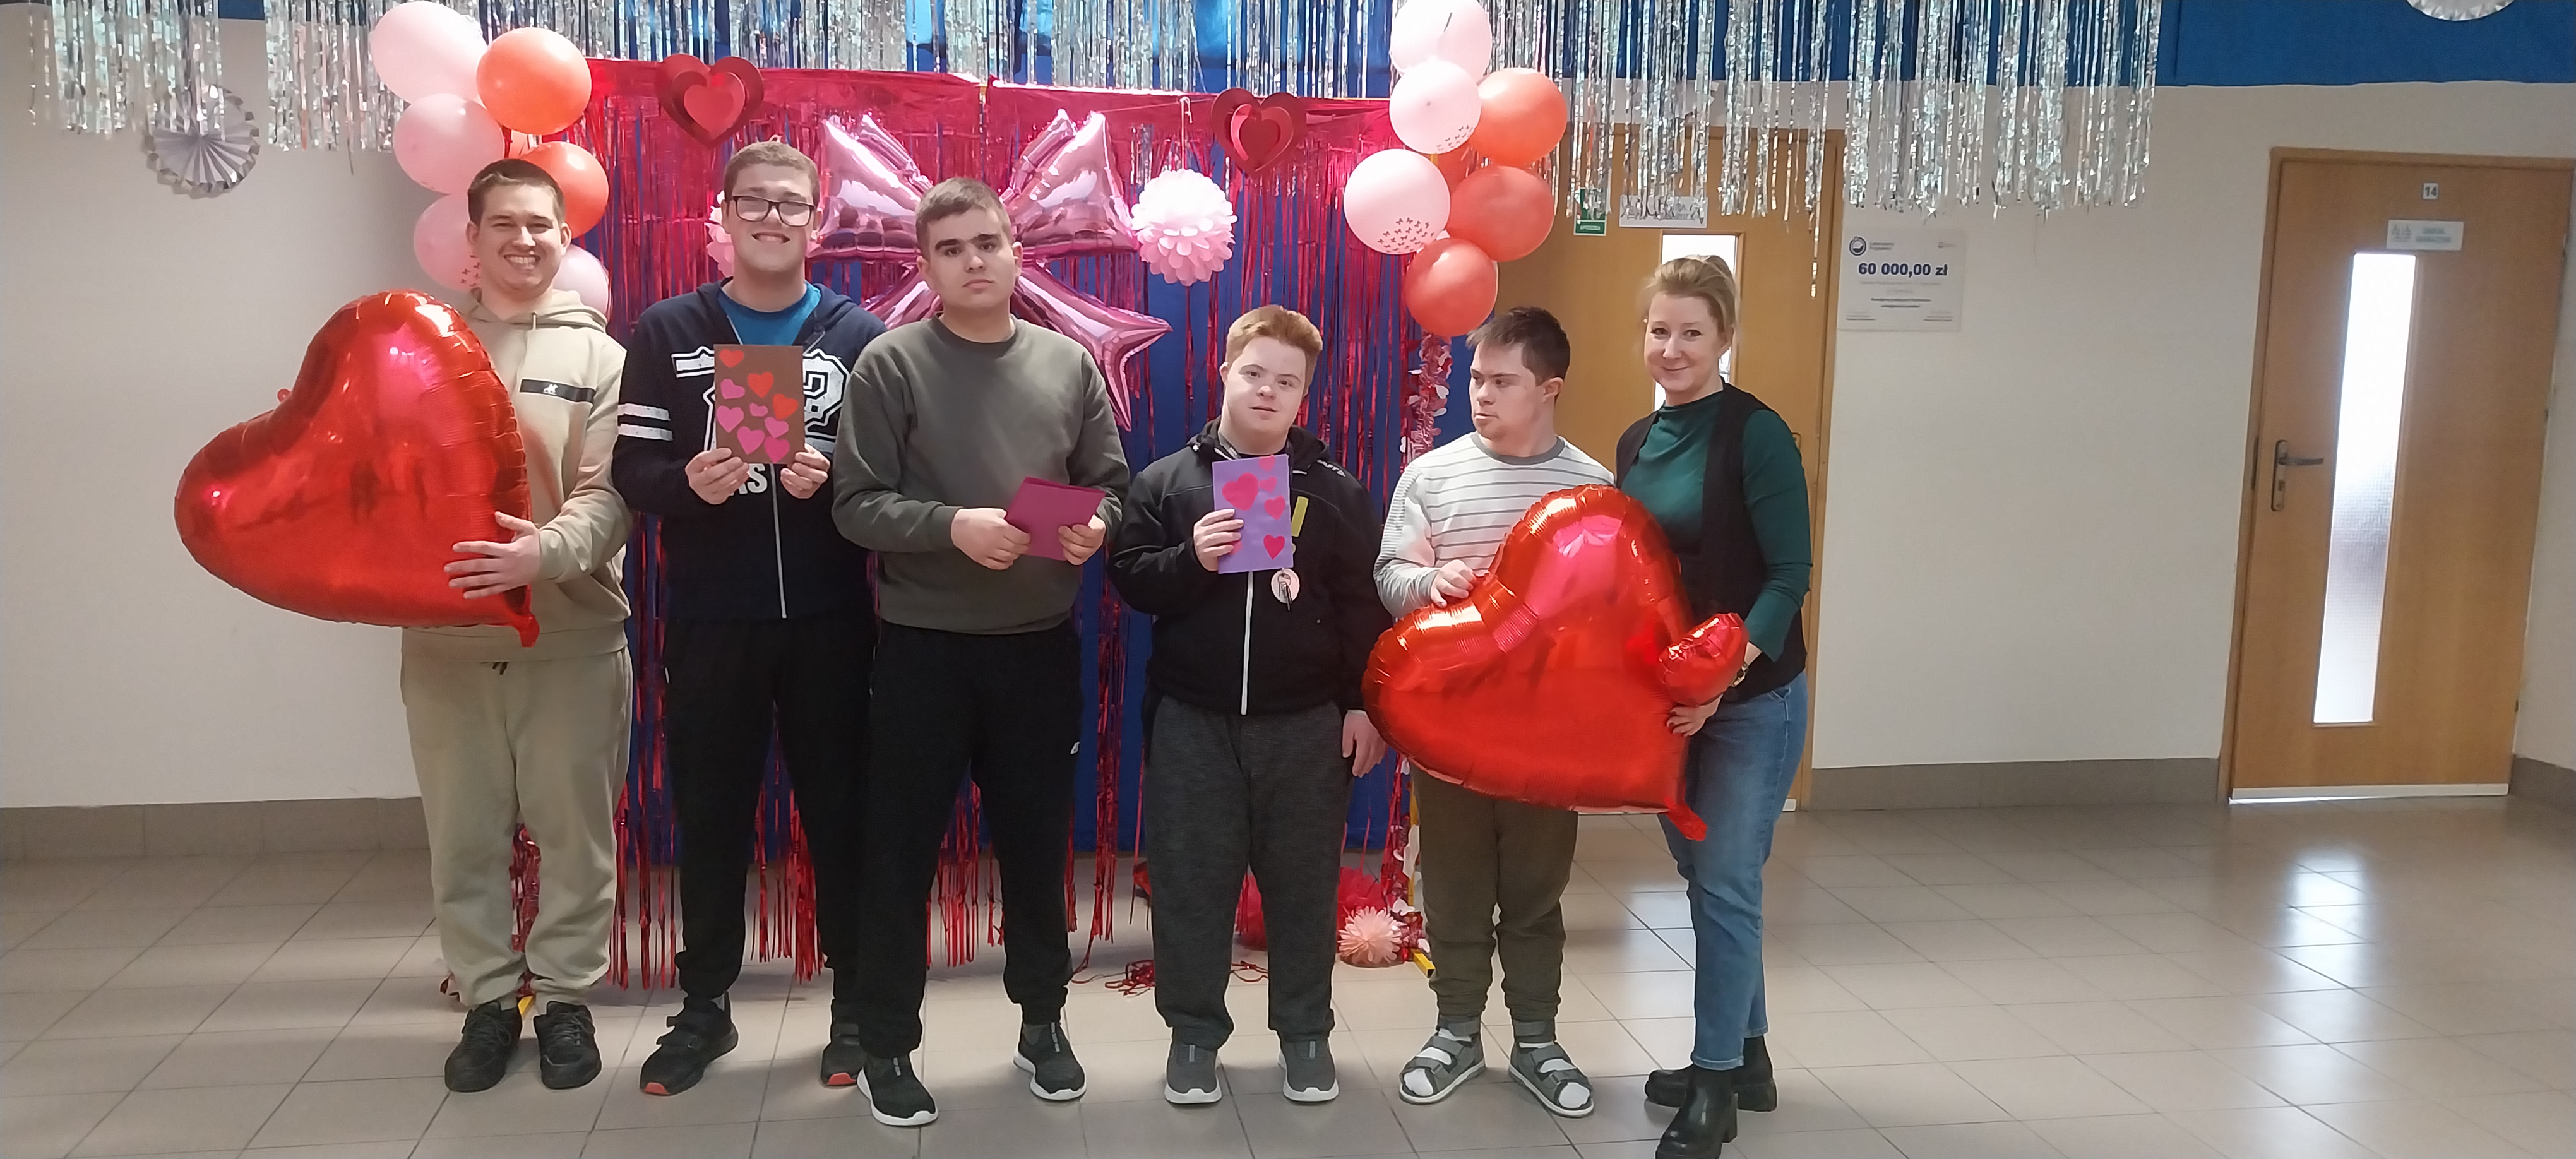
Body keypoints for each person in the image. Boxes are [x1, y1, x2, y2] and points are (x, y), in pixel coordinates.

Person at [831, 176, 1132, 1127]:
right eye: (951, 248)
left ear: (1016, 254)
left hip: (1036, 653)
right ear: (926, 267)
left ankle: (1043, 1024)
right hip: (923, 653)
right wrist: (951, 526)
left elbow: (1111, 486)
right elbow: (855, 505)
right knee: (900, 855)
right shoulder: (891, 363)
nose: (973, 261)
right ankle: (887, 1041)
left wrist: (1095, 528)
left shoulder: (1068, 363)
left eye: (987, 243)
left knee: (1038, 852)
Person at [611, 140, 886, 1097]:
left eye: (791, 204)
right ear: (722, 216)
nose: (773, 218)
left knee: (842, 812)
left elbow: (891, 476)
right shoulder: (668, 329)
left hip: (831, 618)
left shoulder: (859, 334)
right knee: (713, 813)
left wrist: (836, 479)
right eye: (755, 202)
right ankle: (706, 1005)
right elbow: (633, 470)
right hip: (713, 620)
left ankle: (857, 1004)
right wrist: (686, 485)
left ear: (818, 221)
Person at [1107, 306, 1392, 1107]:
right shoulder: (1167, 481)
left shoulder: (1334, 493)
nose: (1268, 391)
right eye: (1255, 373)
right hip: (1193, 720)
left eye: (1287, 382)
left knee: (1302, 888)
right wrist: (1191, 559)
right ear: (1225, 372)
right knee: (1191, 886)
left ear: (1304, 394)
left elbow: (1364, 608)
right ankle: (1194, 1035)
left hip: (1305, 725)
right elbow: (1130, 579)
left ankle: (1305, 1034)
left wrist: (1362, 705)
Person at [409, 158, 631, 1094]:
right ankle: (491, 1001)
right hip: (448, 648)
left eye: (541, 224)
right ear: (473, 238)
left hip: (571, 639)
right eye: (504, 223)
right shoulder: (423, 350)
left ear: (566, 237)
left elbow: (611, 495)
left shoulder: (604, 360)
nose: (524, 239)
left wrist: (545, 554)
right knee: (463, 836)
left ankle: (568, 1000)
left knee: (575, 838)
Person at [1374, 307, 1609, 1119]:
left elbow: (1609, 607)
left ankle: (1538, 1040)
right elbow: (1389, 575)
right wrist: (1427, 585)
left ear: (1550, 389)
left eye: (1503, 381)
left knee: (1536, 895)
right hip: (1450, 729)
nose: (1480, 395)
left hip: (1547, 738)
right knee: (1455, 889)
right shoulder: (1431, 476)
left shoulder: (1592, 488)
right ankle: (1456, 1034)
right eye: (1476, 378)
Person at [1621, 256, 1812, 1159]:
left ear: (1725, 338)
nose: (1672, 348)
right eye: (1659, 330)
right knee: (1708, 883)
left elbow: (1788, 578)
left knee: (1727, 883)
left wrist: (1720, 682)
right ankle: (1751, 1059)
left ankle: (1713, 1084)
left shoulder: (1756, 434)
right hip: (1669, 705)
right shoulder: (1635, 441)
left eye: (1692, 332)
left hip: (1749, 702)